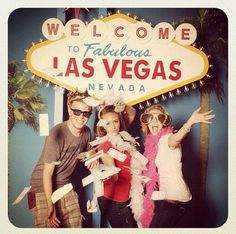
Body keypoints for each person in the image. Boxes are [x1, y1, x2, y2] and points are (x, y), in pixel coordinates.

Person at [140, 104, 215, 228]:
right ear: (145, 122)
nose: (154, 121)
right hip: (166, 197)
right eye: (150, 117)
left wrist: (189, 123)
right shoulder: (153, 144)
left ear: (164, 121)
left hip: (176, 200)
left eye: (159, 117)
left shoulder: (167, 139)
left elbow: (175, 139)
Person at [29, 90, 94, 228]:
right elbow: (47, 173)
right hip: (41, 186)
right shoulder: (56, 134)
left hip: (64, 184)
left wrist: (93, 157)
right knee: (47, 225)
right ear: (69, 110)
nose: (81, 117)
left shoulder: (87, 132)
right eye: (77, 112)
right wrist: (50, 205)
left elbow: (90, 151)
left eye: (86, 113)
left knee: (77, 223)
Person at [93, 103, 146, 228]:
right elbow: (113, 174)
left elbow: (132, 112)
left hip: (124, 197)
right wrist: (107, 173)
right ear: (102, 126)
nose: (113, 126)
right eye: (108, 123)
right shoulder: (105, 145)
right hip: (113, 199)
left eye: (115, 121)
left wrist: (119, 104)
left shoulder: (123, 138)